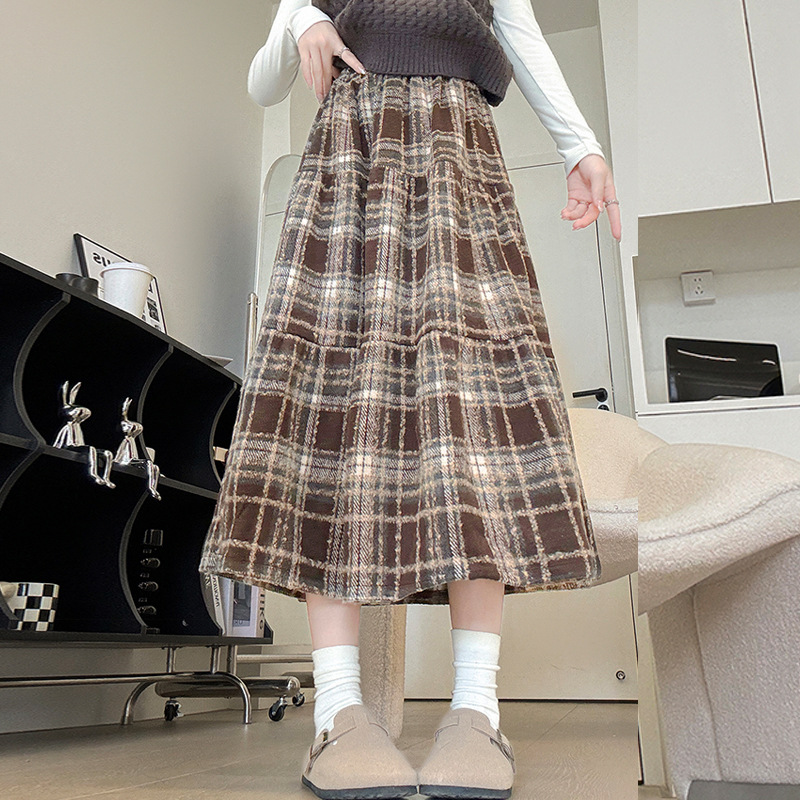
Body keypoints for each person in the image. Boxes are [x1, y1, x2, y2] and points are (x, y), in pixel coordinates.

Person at [200, 1, 622, 798]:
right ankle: (339, 710)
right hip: (350, 159)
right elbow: (262, 84)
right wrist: (302, 23)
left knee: (474, 417)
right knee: (328, 411)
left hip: (459, 157)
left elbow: (521, 32)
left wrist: (583, 146)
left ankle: (476, 709)